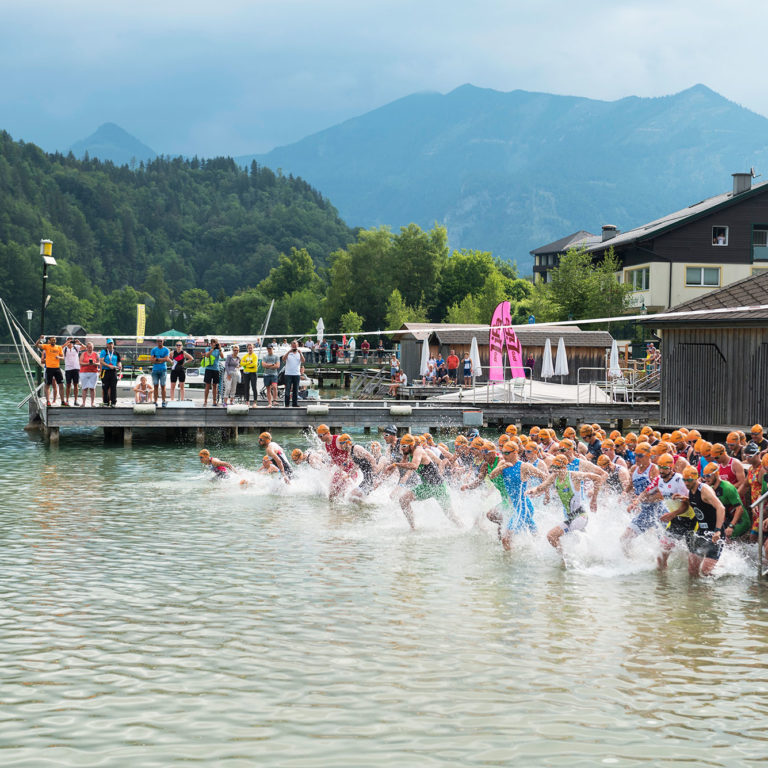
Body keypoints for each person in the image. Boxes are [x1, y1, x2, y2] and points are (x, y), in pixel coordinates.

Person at [529, 454, 602, 552]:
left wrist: (594, 499)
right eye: (554, 468)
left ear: (565, 467)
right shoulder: (554, 477)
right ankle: (590, 554)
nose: (555, 471)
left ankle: (564, 559)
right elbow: (540, 487)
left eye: (558, 468)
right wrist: (532, 491)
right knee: (576, 541)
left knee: (551, 535)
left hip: (580, 516)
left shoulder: (574, 475)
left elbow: (598, 478)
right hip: (570, 517)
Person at [391, 434, 461, 529]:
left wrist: (395, 464)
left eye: (404, 446)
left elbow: (414, 465)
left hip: (438, 487)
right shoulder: (410, 453)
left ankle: (463, 528)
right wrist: (400, 483)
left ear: (411, 445)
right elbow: (407, 467)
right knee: (403, 500)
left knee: (450, 515)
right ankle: (413, 528)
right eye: (401, 446)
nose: (402, 449)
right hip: (426, 486)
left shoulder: (418, 451)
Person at [490, 442, 548, 549]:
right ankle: (540, 553)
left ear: (515, 453)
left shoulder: (524, 466)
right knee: (535, 536)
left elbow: (544, 476)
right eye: (502, 452)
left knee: (506, 539)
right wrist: (501, 467)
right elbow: (492, 476)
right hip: (517, 507)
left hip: (524, 507)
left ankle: (509, 564)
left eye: (507, 453)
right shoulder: (503, 463)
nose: (504, 455)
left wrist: (540, 491)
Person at [681, 466, 726, 577]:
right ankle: (694, 593)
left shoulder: (704, 490)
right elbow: (701, 504)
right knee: (692, 569)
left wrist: (718, 531)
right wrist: (685, 499)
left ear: (696, 478)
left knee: (706, 571)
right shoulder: (691, 490)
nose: (686, 483)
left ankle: (716, 585)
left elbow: (721, 508)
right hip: (702, 532)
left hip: (715, 533)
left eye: (689, 480)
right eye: (684, 480)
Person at [702, 461, 751, 540]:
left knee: (723, 539)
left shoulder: (727, 488)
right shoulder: (710, 488)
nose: (706, 479)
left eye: (708, 476)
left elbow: (739, 508)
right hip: (728, 519)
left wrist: (731, 526)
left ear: (716, 474)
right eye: (704, 476)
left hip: (741, 521)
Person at [317, 424, 359, 500]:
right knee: (331, 494)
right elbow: (334, 458)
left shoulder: (338, 439)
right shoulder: (326, 444)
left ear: (327, 433)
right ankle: (333, 511)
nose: (319, 438)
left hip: (350, 470)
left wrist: (345, 465)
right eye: (318, 436)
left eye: (320, 435)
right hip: (340, 470)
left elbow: (351, 451)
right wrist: (329, 467)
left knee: (345, 494)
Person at [337, 434, 377, 498]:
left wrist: (375, 476)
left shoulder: (357, 448)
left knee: (352, 496)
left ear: (347, 443)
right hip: (366, 479)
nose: (340, 446)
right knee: (354, 498)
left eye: (341, 443)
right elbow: (356, 466)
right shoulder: (351, 453)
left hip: (371, 478)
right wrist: (348, 475)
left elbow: (372, 459)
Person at [36, 335, 64, 406]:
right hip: (49, 368)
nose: (53, 341)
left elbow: (63, 357)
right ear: (49, 341)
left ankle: (62, 401)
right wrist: (40, 339)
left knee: (61, 384)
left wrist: (59, 357)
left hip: (57, 368)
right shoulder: (46, 346)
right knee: (47, 385)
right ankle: (48, 401)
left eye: (54, 340)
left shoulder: (59, 347)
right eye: (52, 340)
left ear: (56, 341)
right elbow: (36, 345)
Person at [99, 338, 121, 407]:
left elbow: (119, 362)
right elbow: (101, 361)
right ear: (107, 344)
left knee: (113, 387)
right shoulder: (104, 351)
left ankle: (113, 402)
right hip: (105, 371)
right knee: (105, 387)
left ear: (113, 344)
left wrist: (119, 366)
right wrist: (108, 366)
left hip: (113, 371)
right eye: (109, 344)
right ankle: (106, 402)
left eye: (111, 343)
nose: (110, 345)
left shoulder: (116, 353)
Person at [149, 337, 171, 406]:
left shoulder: (166, 349)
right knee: (155, 385)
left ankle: (163, 401)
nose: (159, 342)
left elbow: (167, 359)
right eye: (158, 341)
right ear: (156, 342)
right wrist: (161, 359)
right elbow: (151, 360)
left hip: (163, 369)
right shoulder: (154, 349)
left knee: (163, 386)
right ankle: (155, 401)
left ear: (163, 341)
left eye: (161, 341)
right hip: (155, 370)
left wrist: (157, 359)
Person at [282, 340, 304, 408]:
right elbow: (283, 359)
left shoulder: (299, 353)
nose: (294, 346)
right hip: (288, 374)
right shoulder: (288, 353)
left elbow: (303, 361)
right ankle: (287, 404)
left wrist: (300, 353)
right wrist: (289, 352)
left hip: (296, 374)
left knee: (296, 390)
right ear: (291, 346)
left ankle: (295, 403)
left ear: (297, 346)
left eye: (296, 345)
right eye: (293, 345)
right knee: (287, 389)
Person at [62, 337, 84, 406]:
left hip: (76, 368)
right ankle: (67, 400)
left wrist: (79, 343)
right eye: (68, 340)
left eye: (71, 340)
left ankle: (75, 400)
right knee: (68, 385)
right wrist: (65, 344)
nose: (70, 342)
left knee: (76, 385)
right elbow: (58, 349)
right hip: (68, 368)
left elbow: (85, 347)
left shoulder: (76, 347)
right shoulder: (64, 348)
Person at [201, 339, 222, 407]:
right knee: (207, 385)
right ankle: (205, 401)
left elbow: (222, 357)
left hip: (216, 369)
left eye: (215, 343)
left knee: (215, 385)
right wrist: (212, 349)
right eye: (213, 343)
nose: (214, 344)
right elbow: (207, 355)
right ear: (211, 343)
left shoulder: (218, 349)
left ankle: (214, 401)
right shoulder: (208, 348)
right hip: (209, 369)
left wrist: (220, 349)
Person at [78, 341, 100, 408]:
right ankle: (83, 403)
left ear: (93, 347)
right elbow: (80, 362)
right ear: (86, 348)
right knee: (84, 388)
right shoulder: (83, 354)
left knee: (92, 388)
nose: (90, 348)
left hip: (93, 372)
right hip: (84, 372)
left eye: (91, 347)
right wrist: (88, 363)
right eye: (89, 347)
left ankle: (92, 403)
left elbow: (99, 363)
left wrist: (93, 363)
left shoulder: (96, 354)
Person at [240, 343, 259, 407]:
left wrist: (246, 364)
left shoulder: (255, 356)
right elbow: (241, 363)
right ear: (247, 349)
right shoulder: (245, 356)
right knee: (246, 387)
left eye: (251, 348)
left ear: (253, 348)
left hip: (253, 373)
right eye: (249, 348)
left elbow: (254, 364)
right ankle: (247, 401)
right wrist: (249, 363)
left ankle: (255, 402)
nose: (250, 349)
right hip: (246, 373)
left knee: (254, 387)